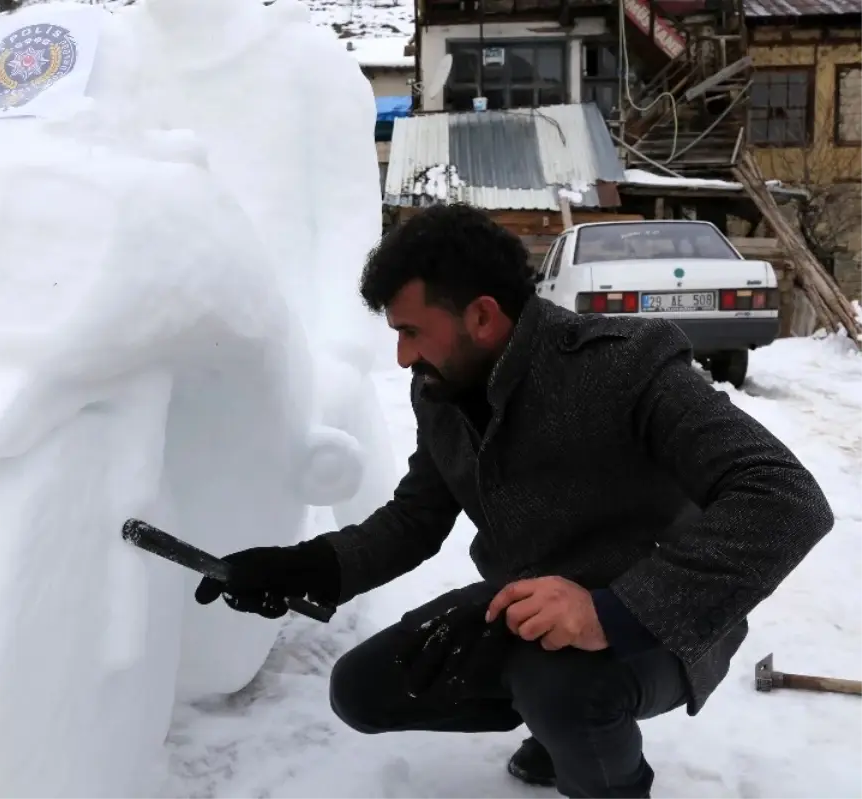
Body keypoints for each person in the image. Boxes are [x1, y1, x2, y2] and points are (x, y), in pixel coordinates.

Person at [193, 203, 836, 799]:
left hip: (662, 623)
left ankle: (610, 774)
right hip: (529, 608)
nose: (401, 355)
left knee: (561, 686)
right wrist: (303, 566)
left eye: (413, 331)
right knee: (363, 689)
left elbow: (785, 496)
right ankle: (554, 721)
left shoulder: (623, 367)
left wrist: (612, 612)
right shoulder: (441, 390)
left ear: (481, 315)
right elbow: (415, 520)